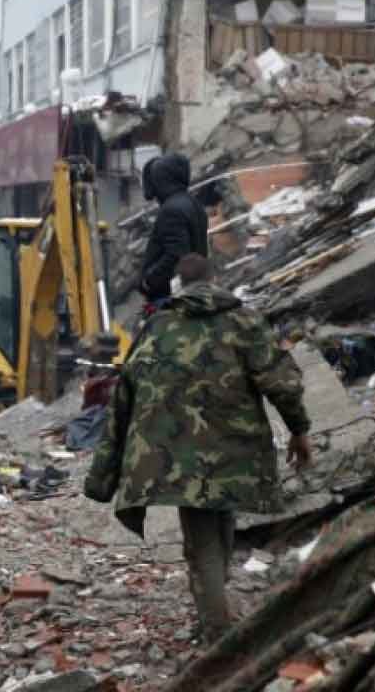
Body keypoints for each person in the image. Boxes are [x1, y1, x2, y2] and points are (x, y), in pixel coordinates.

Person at [85, 253, 312, 642]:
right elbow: (281, 381)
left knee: (203, 536)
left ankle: (216, 631)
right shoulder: (243, 321)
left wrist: (107, 467)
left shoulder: (157, 326)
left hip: (171, 453)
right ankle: (217, 620)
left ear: (179, 284)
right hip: (233, 446)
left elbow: (125, 392)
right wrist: (299, 430)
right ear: (216, 279)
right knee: (218, 519)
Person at [140, 153, 209, 310]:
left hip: (170, 298)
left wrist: (149, 280)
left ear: (162, 180)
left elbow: (176, 255)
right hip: (193, 292)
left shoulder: (171, 210)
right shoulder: (194, 204)